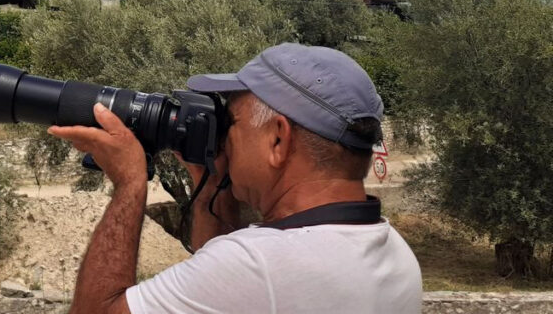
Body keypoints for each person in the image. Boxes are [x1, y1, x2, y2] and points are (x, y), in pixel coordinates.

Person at [48, 43, 422, 314]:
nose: (223, 138)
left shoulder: (256, 265)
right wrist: (211, 184)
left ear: (278, 138)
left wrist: (129, 184)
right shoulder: (398, 257)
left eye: (232, 123)